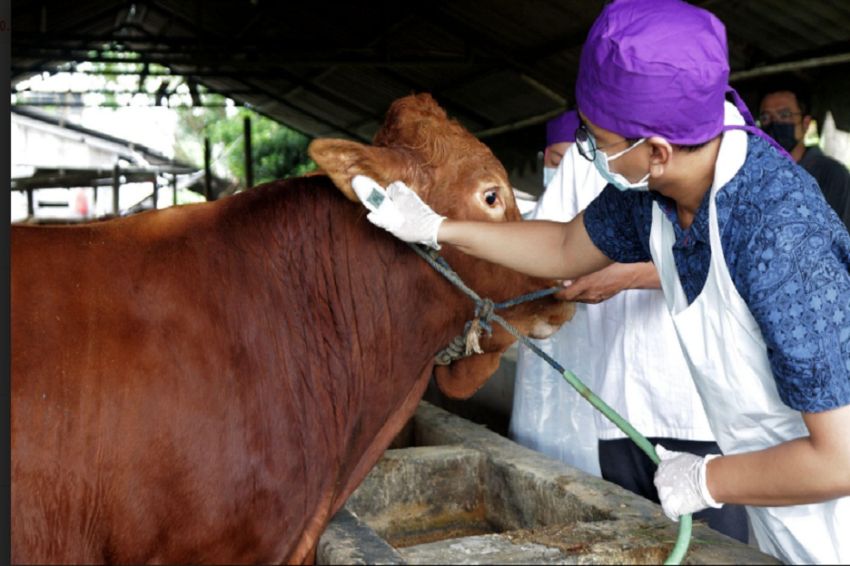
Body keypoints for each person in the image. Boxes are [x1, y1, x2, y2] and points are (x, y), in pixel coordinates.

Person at [350, 0, 850, 562]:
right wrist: (439, 227)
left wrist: (710, 481)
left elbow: (839, 459)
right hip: (779, 498)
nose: (589, 153)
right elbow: (565, 246)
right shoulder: (657, 195)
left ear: (657, 151)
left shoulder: (780, 235)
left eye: (599, 143)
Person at [510, 110, 749, 542]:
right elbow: (552, 246)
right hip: (620, 407)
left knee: (716, 548)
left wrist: (626, 274)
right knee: (626, 544)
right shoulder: (586, 160)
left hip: (702, 412)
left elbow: (731, 256)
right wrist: (448, 233)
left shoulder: (726, 150)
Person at [759, 80, 850, 231]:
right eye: (766, 118)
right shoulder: (758, 174)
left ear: (806, 123)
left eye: (785, 115)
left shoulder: (832, 175)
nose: (774, 123)